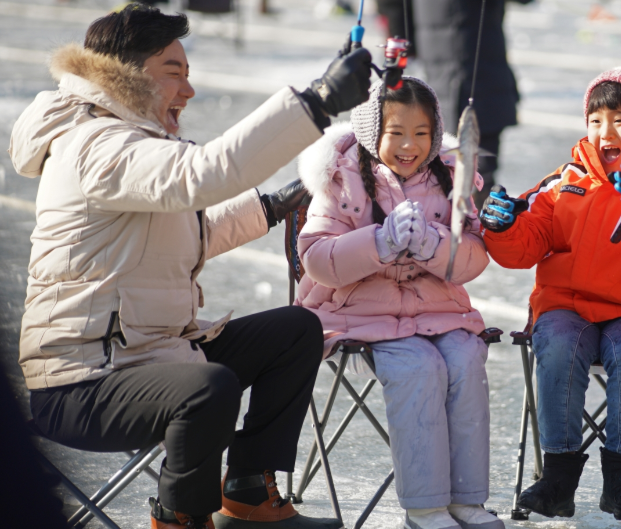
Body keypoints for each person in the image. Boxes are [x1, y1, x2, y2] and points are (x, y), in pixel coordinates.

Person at [9, 4, 372, 529]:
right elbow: (205, 173)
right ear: (125, 76)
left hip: (148, 353)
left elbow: (180, 234)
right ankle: (181, 518)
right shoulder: (98, 146)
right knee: (207, 389)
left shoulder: (130, 140)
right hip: (83, 382)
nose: (189, 90)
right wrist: (317, 101)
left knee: (295, 331)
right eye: (173, 73)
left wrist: (270, 207)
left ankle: (248, 491)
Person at [481, 67, 621, 521]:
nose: (606, 131)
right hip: (567, 306)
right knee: (556, 344)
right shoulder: (566, 180)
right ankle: (558, 476)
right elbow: (526, 244)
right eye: (596, 120)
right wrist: (502, 227)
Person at [293, 77, 501, 529]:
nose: (410, 145)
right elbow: (316, 258)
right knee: (418, 367)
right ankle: (425, 508)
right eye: (397, 133)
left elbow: (474, 255)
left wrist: (433, 245)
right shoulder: (343, 177)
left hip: (438, 311)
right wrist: (380, 242)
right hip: (356, 314)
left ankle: (466, 499)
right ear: (373, 134)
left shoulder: (449, 175)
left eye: (421, 133)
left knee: (465, 359)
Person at [413, 0, 524, 209]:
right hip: (481, 81)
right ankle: (478, 223)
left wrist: (405, 39)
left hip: (439, 75)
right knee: (479, 177)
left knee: (440, 176)